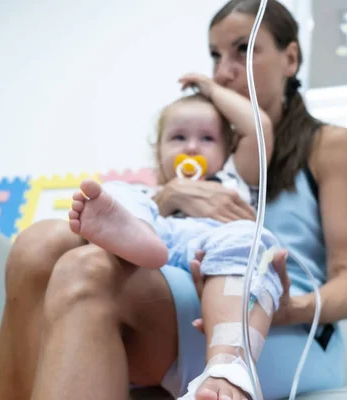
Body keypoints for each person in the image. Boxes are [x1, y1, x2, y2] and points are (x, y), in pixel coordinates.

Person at [0, 0, 347, 399]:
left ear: (290, 58)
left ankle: (230, 367)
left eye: (243, 50)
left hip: (281, 325)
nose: (224, 71)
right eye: (215, 55)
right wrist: (171, 195)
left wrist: (287, 306)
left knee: (85, 270)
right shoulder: (209, 147)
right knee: (39, 244)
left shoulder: (329, 144)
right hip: (186, 292)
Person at [67, 78, 282, 397]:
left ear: (226, 152)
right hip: (158, 242)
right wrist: (144, 210)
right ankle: (133, 234)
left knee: (249, 237)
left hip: (214, 247)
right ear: (159, 154)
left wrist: (210, 88)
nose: (192, 147)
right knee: (117, 191)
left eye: (207, 138)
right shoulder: (153, 196)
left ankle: (227, 365)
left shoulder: (233, 179)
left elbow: (259, 127)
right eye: (178, 137)